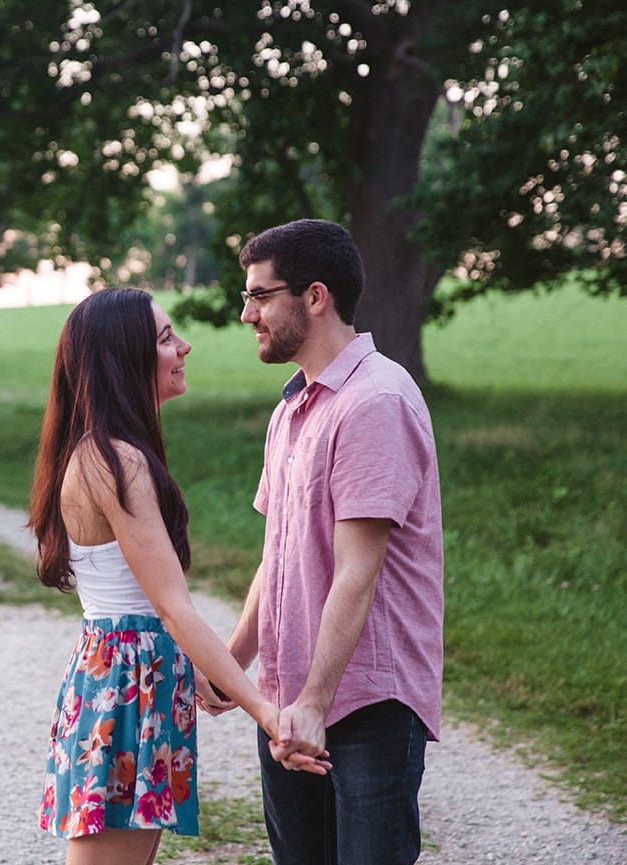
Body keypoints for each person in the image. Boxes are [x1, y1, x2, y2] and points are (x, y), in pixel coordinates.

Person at [29, 288, 329, 865]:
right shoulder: (115, 461)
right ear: (126, 358)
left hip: (131, 677)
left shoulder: (111, 452)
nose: (183, 346)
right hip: (125, 684)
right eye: (166, 338)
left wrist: (206, 671)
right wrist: (265, 713)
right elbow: (172, 607)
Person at [226, 219, 444, 865]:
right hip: (292, 701)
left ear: (314, 296)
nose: (247, 314)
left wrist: (317, 703)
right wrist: (233, 664)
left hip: (366, 702)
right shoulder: (291, 408)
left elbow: (357, 571)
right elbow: (279, 555)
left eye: (260, 295)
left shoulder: (374, 399)